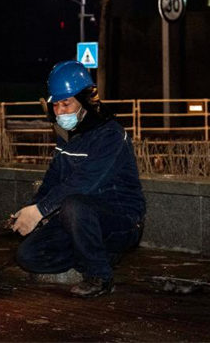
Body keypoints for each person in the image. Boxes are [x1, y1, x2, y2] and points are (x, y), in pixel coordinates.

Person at [11, 60, 145, 297]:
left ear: (85, 101)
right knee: (28, 255)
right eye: (56, 105)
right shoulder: (67, 135)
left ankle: (100, 276)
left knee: (74, 205)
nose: (60, 111)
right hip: (78, 219)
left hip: (120, 220)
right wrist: (32, 208)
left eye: (66, 104)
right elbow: (53, 178)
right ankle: (94, 255)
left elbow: (84, 181)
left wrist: (41, 210)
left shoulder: (111, 134)